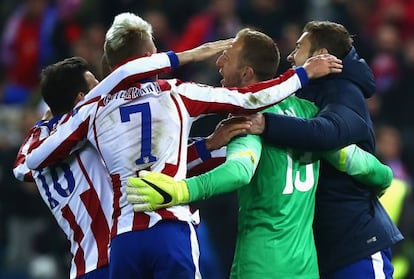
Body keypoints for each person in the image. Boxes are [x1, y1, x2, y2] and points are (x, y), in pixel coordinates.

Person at [24, 12, 341, 279]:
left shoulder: (92, 112)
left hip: (123, 240)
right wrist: (302, 74)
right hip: (170, 228)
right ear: (150, 58)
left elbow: (35, 160)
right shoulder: (176, 93)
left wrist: (207, 146)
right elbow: (250, 98)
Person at [125, 28, 393, 278]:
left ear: (246, 74)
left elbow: (239, 172)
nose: (218, 63)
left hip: (260, 264)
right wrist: (383, 180)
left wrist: (181, 190)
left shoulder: (252, 117)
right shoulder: (308, 115)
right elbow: (364, 165)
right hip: (306, 267)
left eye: (226, 58)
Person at [13, 39, 239, 278]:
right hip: (117, 258)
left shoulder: (41, 148)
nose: (104, 91)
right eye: (95, 87)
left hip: (83, 267)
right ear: (81, 100)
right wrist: (207, 147)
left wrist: (43, 124)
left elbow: (22, 167)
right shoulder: (89, 138)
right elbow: (151, 169)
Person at [232, 21, 403, 278]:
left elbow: (326, 133)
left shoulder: (345, 92)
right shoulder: (307, 93)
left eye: (300, 47)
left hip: (357, 244)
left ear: (321, 55)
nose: (290, 55)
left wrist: (265, 123)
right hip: (322, 249)